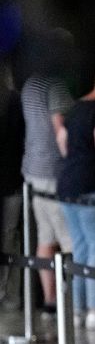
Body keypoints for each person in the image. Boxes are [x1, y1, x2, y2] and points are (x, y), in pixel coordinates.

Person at [56, 60, 95, 325]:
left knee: (79, 247)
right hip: (91, 183)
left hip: (67, 182)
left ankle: (78, 309)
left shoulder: (75, 107)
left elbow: (63, 142)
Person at [19, 45, 75, 313]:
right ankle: (71, 301)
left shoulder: (30, 84)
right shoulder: (55, 85)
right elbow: (60, 125)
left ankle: (51, 299)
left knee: (45, 237)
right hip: (54, 170)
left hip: (32, 168)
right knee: (68, 239)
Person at [0, 72, 23, 309]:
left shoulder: (14, 102)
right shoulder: (14, 101)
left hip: (10, 182)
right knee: (8, 239)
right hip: (11, 182)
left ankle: (6, 292)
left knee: (8, 238)